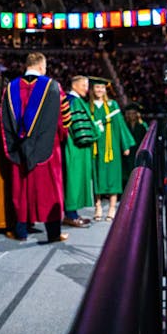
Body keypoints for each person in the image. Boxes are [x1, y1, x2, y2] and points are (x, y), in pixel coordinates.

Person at [0, 52, 70, 243]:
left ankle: (20, 233)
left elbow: (3, 122)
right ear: (41, 67)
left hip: (19, 149)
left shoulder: (10, 88)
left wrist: (15, 146)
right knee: (50, 191)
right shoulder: (53, 87)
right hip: (48, 148)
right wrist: (61, 137)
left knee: (20, 190)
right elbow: (64, 122)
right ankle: (53, 233)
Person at [88, 77, 134, 222]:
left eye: (102, 88)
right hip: (94, 147)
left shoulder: (112, 105)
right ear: (92, 89)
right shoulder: (88, 106)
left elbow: (120, 125)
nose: (100, 90)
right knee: (97, 178)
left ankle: (113, 208)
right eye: (97, 88)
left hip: (111, 148)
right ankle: (98, 206)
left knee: (113, 177)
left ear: (105, 89)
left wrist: (125, 145)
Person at [62, 75, 95, 228]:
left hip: (73, 146)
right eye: (83, 85)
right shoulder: (73, 101)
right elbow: (79, 129)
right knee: (72, 181)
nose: (86, 89)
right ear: (74, 85)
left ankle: (72, 213)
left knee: (72, 180)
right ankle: (71, 215)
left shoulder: (72, 100)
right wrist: (95, 132)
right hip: (75, 147)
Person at [121, 102, 148, 178]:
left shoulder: (142, 125)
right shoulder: (124, 126)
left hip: (138, 152)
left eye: (134, 113)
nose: (132, 115)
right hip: (127, 154)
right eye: (130, 113)